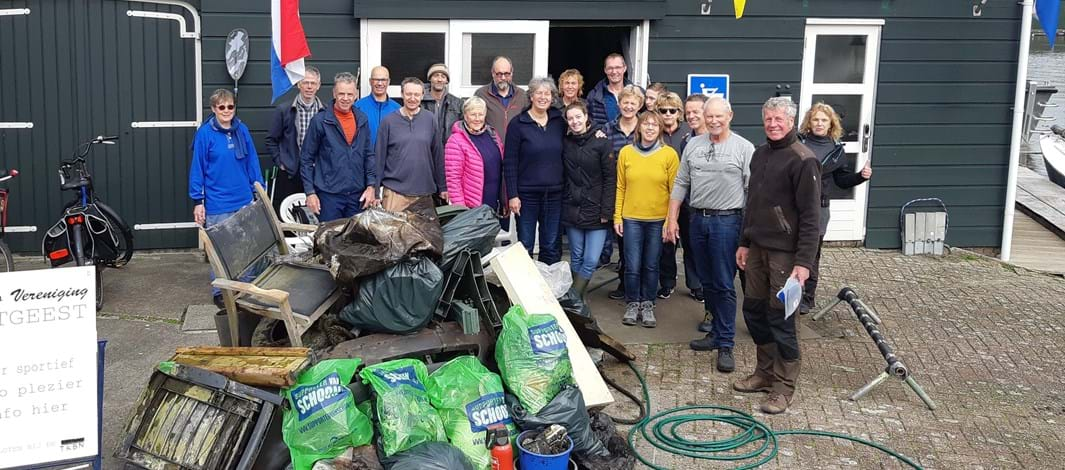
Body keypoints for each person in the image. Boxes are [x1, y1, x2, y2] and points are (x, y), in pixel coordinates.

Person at [733, 97, 821, 415]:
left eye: (779, 119)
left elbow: (811, 217)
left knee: (782, 319)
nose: (773, 124)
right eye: (768, 119)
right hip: (756, 248)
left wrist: (804, 263)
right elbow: (752, 204)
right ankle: (764, 373)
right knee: (755, 311)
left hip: (786, 255)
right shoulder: (760, 154)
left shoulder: (803, 160)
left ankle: (783, 388)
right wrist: (744, 242)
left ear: (792, 121)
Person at [666, 97, 755, 373]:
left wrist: (748, 236)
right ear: (704, 117)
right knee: (706, 281)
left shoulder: (744, 148)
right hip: (697, 220)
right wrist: (671, 218)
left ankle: (726, 343)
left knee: (723, 282)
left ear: (730, 115)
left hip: (728, 221)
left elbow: (752, 192)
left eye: (720, 116)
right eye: (710, 116)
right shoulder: (693, 145)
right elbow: (681, 182)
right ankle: (715, 332)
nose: (714, 121)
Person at [189, 89, 264, 308]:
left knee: (246, 247)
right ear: (213, 109)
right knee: (221, 249)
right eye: (221, 107)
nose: (226, 111)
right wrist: (197, 201)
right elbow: (198, 169)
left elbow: (252, 162)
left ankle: (246, 287)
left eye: (230, 106)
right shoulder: (205, 134)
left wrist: (258, 188)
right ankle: (221, 290)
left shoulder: (242, 130)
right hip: (218, 203)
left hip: (243, 200)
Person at [797, 102, 873, 313]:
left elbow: (841, 180)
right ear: (809, 122)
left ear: (831, 124)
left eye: (824, 120)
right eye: (815, 119)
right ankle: (788, 294)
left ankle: (807, 298)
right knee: (789, 251)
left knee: (811, 254)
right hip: (794, 206)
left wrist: (860, 177)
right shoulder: (797, 143)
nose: (819, 123)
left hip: (819, 208)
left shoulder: (837, 151)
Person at [615, 111, 679, 328]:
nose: (650, 128)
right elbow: (621, 186)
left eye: (655, 124)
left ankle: (648, 303)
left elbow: (675, 192)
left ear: (660, 129)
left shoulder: (669, 155)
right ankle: (633, 302)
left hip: (657, 220)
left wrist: (670, 220)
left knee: (651, 264)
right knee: (632, 264)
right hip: (631, 217)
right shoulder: (626, 153)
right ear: (638, 127)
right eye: (646, 124)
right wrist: (618, 216)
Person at [504, 76, 566, 264]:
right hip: (526, 196)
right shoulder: (518, 124)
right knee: (526, 244)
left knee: (550, 244)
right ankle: (525, 290)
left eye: (547, 93)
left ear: (552, 97)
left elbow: (580, 136)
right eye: (538, 93)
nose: (543, 97)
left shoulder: (559, 122)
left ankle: (548, 289)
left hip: (554, 194)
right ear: (531, 96)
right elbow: (510, 162)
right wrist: (513, 195)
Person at [300, 72, 377, 222]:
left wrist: (371, 186)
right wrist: (310, 192)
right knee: (330, 241)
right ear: (334, 93)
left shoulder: (362, 119)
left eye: (350, 94)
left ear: (356, 95)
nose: (346, 98)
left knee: (355, 242)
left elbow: (369, 155)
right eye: (341, 94)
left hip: (357, 195)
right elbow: (306, 159)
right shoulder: (320, 121)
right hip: (329, 197)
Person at [562, 101, 615, 297]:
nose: (575, 121)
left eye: (578, 117)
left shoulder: (602, 142)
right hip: (572, 206)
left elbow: (610, 178)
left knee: (591, 259)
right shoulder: (565, 142)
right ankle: (579, 299)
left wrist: (606, 211)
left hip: (596, 208)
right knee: (576, 256)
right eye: (570, 118)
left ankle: (574, 297)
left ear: (586, 117)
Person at [376, 77, 447, 212]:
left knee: (421, 233)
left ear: (422, 96)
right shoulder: (388, 122)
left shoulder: (430, 119)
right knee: (393, 233)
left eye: (416, 94)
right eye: (408, 94)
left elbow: (437, 155)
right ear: (402, 94)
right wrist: (375, 190)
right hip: (394, 193)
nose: (412, 98)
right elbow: (379, 158)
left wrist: (443, 187)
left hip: (424, 193)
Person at [265, 66, 324, 216]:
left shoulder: (325, 112)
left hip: (317, 173)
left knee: (316, 215)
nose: (309, 87)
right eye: (305, 82)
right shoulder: (284, 110)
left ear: (318, 85)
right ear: (298, 84)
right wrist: (281, 163)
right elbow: (271, 140)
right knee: (289, 215)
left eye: (312, 83)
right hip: (291, 173)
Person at [604, 85, 645, 300]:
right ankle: (624, 283)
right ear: (619, 104)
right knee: (623, 241)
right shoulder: (608, 129)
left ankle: (643, 287)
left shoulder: (646, 128)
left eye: (633, 103)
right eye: (625, 102)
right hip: (618, 191)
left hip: (642, 192)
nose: (629, 106)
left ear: (639, 105)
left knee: (641, 244)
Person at [655, 91, 690, 299]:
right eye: (663, 110)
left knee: (691, 245)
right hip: (663, 198)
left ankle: (695, 285)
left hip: (688, 197)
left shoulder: (688, 133)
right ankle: (667, 282)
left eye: (672, 110)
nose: (668, 114)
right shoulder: (653, 133)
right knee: (667, 244)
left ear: (679, 112)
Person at [444, 96, 505, 212]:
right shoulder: (456, 140)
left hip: (494, 201)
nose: (477, 118)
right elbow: (453, 180)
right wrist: (460, 209)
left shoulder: (492, 134)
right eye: (473, 114)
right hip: (472, 206)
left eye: (480, 114)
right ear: (465, 116)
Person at [676, 93, 709, 302]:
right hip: (690, 204)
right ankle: (695, 284)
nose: (691, 116)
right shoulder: (686, 140)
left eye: (696, 111)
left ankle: (708, 286)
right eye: (688, 112)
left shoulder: (719, 139)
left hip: (714, 207)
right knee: (690, 246)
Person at [474, 56, 529, 144]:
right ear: (492, 73)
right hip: (490, 148)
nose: (503, 78)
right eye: (499, 74)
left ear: (512, 73)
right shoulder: (481, 95)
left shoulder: (522, 96)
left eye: (506, 74)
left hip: (516, 149)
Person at [587, 53, 641, 127]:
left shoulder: (638, 94)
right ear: (605, 70)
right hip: (603, 137)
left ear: (624, 68)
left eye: (618, 67)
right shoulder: (594, 95)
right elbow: (587, 122)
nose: (614, 72)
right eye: (610, 68)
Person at [354, 66, 400, 147]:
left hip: (389, 158)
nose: (379, 83)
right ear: (370, 81)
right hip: (364, 158)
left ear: (388, 82)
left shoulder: (397, 109)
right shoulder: (357, 107)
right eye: (376, 79)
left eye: (383, 80)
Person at [422, 63, 464, 147]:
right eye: (436, 75)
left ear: (447, 81)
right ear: (430, 79)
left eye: (443, 76)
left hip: (450, 150)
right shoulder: (420, 102)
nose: (439, 79)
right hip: (425, 149)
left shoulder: (458, 103)